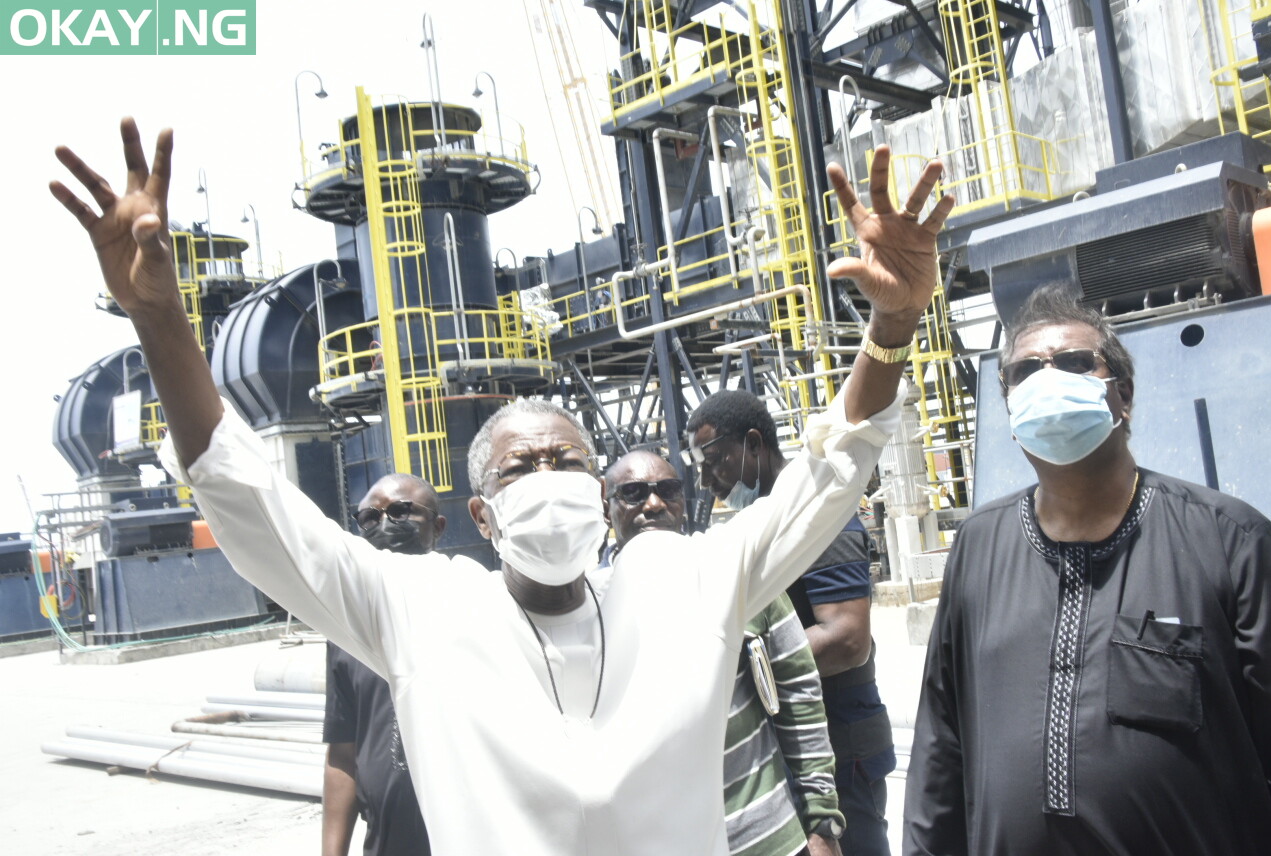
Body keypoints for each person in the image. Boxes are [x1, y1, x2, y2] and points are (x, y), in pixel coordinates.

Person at [51, 118, 952, 855]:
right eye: (521, 468)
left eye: (568, 462)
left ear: (601, 497)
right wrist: (161, 320)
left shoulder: (680, 585)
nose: (548, 481)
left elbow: (824, 480)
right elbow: (253, 505)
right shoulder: (424, 610)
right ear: (480, 514)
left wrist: (891, 330)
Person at [905, 284, 1271, 855]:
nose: (1047, 380)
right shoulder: (979, 546)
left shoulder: (1230, 541)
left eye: (1076, 363)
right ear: (1009, 407)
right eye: (1025, 372)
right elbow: (942, 738)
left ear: (1122, 395)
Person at [603, 451, 845, 856]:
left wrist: (822, 823)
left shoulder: (732, 573)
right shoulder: (595, 607)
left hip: (772, 841)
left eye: (668, 490)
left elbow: (800, 696)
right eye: (633, 493)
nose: (654, 504)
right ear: (605, 505)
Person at [687, 391, 894, 856]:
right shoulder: (762, 526)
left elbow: (847, 637)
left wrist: (739, 670)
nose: (705, 480)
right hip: (802, 749)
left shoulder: (820, 520)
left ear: (753, 444)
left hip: (843, 748)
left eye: (714, 461)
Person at [323, 473, 445, 856]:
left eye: (401, 511)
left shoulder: (472, 604)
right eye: (370, 517)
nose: (385, 524)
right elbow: (343, 754)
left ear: (438, 527)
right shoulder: (347, 627)